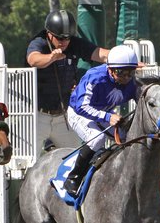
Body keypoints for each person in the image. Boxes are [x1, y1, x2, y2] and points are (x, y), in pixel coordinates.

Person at [27, 10, 109, 152]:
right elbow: (33, 59)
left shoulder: (73, 43)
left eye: (67, 38)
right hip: (38, 116)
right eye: (60, 38)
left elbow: (100, 54)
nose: (64, 42)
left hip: (63, 116)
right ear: (49, 34)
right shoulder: (39, 42)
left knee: (73, 156)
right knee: (29, 160)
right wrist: (51, 57)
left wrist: (128, 60)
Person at [63, 44, 139, 197]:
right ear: (109, 68)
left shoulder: (131, 83)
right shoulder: (94, 77)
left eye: (130, 73)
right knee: (97, 138)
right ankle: (73, 178)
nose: (126, 78)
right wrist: (107, 117)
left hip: (104, 113)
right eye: (121, 73)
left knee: (127, 138)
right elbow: (81, 106)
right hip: (79, 113)